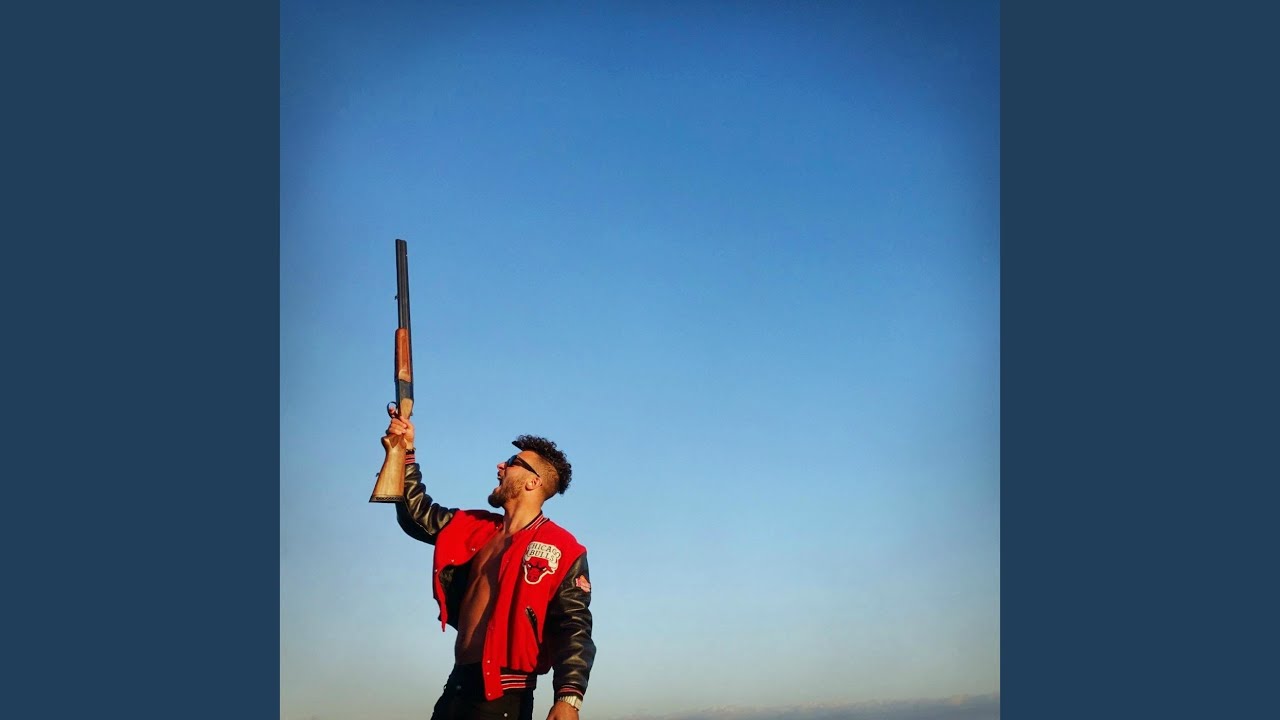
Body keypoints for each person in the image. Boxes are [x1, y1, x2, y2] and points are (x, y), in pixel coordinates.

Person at [383, 411, 596, 720]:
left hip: (505, 696)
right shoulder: (475, 527)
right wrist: (405, 450)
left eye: (512, 462)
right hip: (456, 686)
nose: (500, 466)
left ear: (533, 481)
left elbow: (574, 626)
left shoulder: (563, 547)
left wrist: (568, 697)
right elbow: (417, 515)